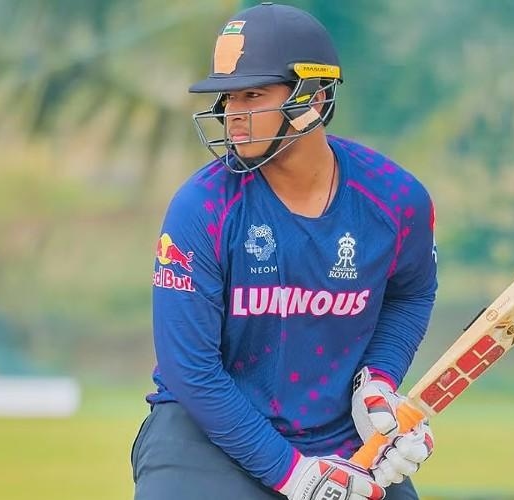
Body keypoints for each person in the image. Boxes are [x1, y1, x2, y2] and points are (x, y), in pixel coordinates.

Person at [131, 3, 438, 499]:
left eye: (253, 94)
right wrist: (293, 475)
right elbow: (192, 370)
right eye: (229, 96)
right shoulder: (201, 208)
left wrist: (377, 382)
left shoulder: (396, 200)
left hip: (335, 434)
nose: (233, 114)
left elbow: (411, 292)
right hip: (205, 436)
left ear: (313, 98)